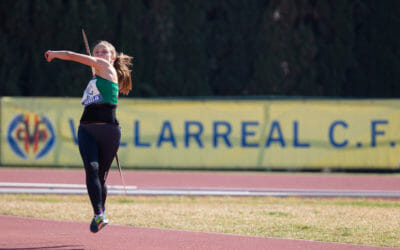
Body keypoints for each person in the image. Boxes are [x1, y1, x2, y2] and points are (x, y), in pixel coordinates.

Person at [45, 41, 133, 233]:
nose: (100, 53)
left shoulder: (106, 67)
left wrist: (53, 52)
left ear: (113, 58)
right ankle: (99, 213)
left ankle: (100, 213)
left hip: (109, 131)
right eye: (97, 51)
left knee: (100, 177)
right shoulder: (96, 75)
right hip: (87, 129)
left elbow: (71, 54)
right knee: (92, 170)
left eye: (105, 51)